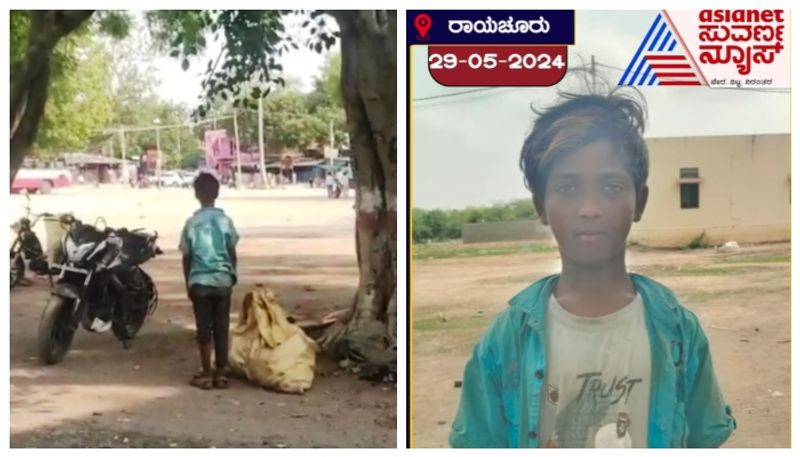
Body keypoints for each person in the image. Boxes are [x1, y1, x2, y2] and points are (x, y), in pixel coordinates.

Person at [449, 90, 736, 448]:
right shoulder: (507, 338)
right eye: (567, 187)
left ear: (639, 201)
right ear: (541, 206)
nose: (589, 208)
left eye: (611, 186)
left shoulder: (678, 330)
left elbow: (702, 437)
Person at [180, 172, 239, 390]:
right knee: (222, 326)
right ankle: (221, 373)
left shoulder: (191, 223)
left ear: (196, 194)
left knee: (203, 328)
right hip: (223, 280)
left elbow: (186, 257)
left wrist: (189, 282)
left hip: (199, 281)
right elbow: (232, 251)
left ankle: (206, 373)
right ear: (217, 193)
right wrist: (232, 274)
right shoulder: (225, 221)